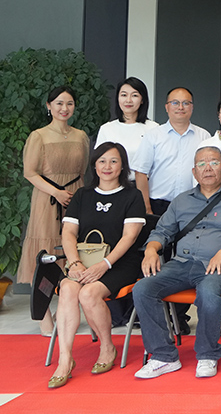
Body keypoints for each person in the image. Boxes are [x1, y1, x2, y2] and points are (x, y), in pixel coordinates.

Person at [130, 147, 221, 379]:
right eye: (201, 164)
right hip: (181, 263)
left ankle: (207, 354)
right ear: (194, 171)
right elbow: (161, 232)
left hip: (218, 265)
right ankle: (164, 357)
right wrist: (150, 250)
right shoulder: (182, 200)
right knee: (142, 288)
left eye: (214, 163)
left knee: (208, 292)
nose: (208, 168)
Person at [48, 143, 146, 389]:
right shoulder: (82, 195)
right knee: (69, 288)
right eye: (102, 161)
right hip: (83, 261)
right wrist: (74, 263)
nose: (107, 166)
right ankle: (65, 359)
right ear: (94, 165)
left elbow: (130, 237)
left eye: (113, 161)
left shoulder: (132, 196)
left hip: (120, 263)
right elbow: (69, 233)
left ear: (122, 165)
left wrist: (105, 264)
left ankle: (107, 347)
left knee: (89, 293)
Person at [18, 86, 90, 335]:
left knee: (74, 249)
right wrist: (56, 192)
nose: (64, 108)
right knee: (45, 252)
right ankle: (43, 314)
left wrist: (75, 196)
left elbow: (83, 171)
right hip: (47, 199)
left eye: (69, 103)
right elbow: (30, 173)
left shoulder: (81, 136)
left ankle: (66, 309)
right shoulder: (38, 136)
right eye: (59, 103)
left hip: (75, 196)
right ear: (49, 106)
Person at [131, 86, 211, 216]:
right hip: (158, 206)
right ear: (167, 107)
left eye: (186, 103)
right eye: (175, 103)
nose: (180, 107)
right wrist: (147, 207)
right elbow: (140, 172)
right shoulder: (153, 136)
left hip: (194, 205)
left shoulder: (204, 136)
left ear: (192, 107)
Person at [94, 76, 159, 161]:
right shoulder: (106, 129)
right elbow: (99, 161)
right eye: (124, 95)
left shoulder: (153, 128)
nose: (128, 100)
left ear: (142, 100)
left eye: (134, 95)